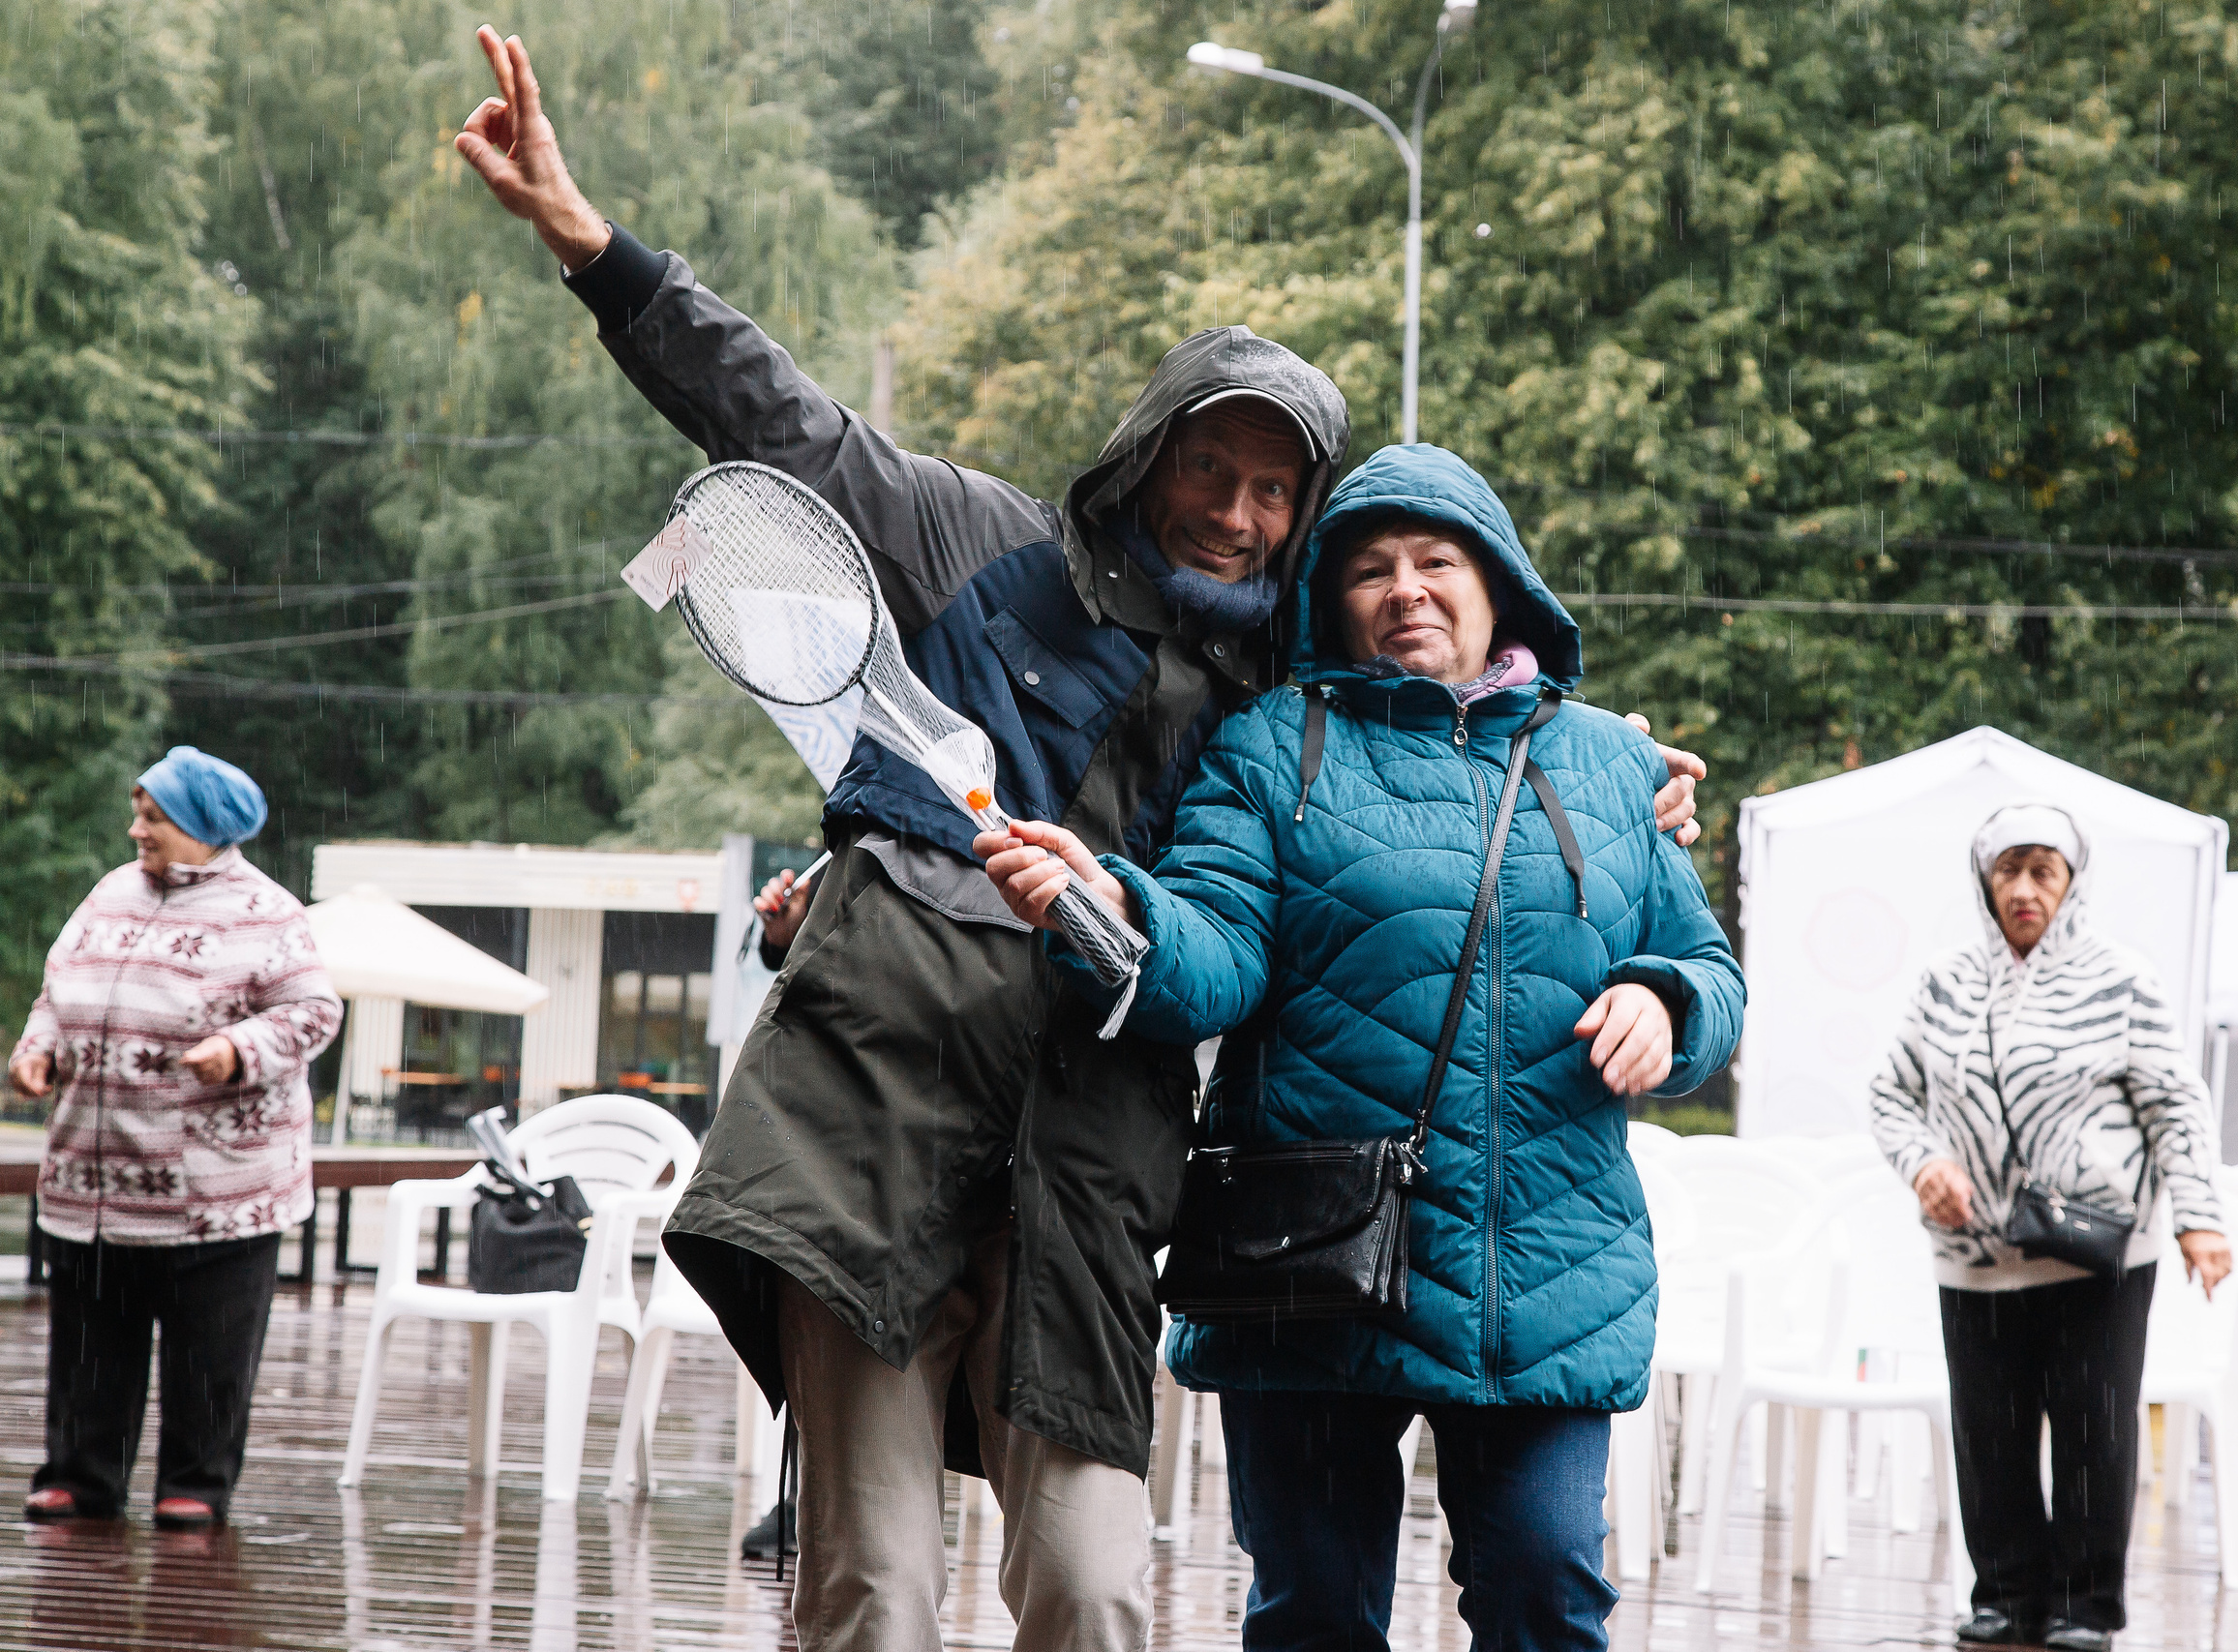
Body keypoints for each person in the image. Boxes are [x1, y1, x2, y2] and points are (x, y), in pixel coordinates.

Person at [452, 26, 1713, 1649]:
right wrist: (583, 240)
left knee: (1093, 1583)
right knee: (873, 1588)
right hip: (878, 1116)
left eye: (1277, 490)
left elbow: (1451, 722)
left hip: (1093, 1169)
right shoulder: (982, 545)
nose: (1239, 513)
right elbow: (774, 418)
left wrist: (1611, 762)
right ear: (1149, 451)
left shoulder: (1286, 692)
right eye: (1213, 465)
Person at [980, 443, 1746, 1652]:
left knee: (1547, 1590)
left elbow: (1709, 967)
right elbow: (1219, 950)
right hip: (1312, 1260)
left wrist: (1666, 1001)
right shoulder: (1274, 745)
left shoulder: (1607, 762)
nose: (1406, 591)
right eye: (1369, 570)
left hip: (1541, 1263)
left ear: (1499, 587)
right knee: (1316, 1612)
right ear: (1328, 603)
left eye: (1436, 561)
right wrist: (1118, 913)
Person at [1868, 804, 2234, 1652]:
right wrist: (1925, 1164)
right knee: (1987, 1430)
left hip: (2098, 1251)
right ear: (1984, 879)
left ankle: (2084, 1605)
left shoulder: (2122, 979)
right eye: (2009, 870)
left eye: (2044, 869)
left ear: (2072, 881)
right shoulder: (1945, 980)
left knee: (2093, 1432)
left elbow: (2176, 1105)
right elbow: (1891, 1094)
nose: (2025, 888)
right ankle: (2003, 1592)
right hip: (1976, 1252)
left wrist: (2200, 1222)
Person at [9, 748, 342, 1529]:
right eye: (137, 813)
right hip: (94, 1177)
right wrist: (38, 1050)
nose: (136, 829)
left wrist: (236, 1051)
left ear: (199, 824)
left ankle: (196, 1483)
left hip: (220, 1188)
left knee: (210, 1351)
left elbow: (312, 1013)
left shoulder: (268, 912)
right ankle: (79, 1476)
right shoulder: (108, 895)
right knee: (91, 1340)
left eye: (152, 817)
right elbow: (57, 993)